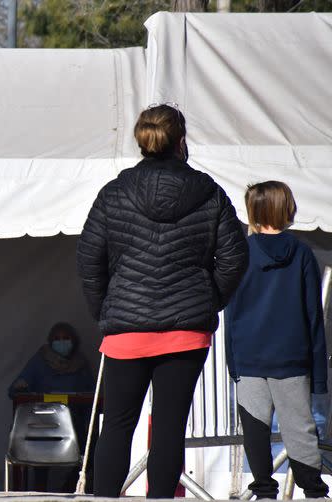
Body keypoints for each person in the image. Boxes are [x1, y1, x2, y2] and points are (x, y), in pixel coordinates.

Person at [77, 103, 248, 498]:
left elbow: (89, 260)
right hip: (185, 331)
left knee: (117, 426)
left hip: (125, 331)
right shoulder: (210, 194)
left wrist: (107, 310)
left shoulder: (113, 193)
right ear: (181, 141)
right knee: (170, 428)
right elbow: (235, 258)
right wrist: (206, 301)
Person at [225, 181, 328, 499]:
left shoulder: (240, 253)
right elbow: (314, 316)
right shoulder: (301, 254)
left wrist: (233, 360)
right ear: (287, 209)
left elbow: (231, 313)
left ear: (253, 211)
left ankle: (264, 489)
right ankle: (313, 490)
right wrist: (319, 374)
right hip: (292, 357)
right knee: (299, 425)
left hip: (250, 357)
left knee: (254, 427)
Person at [8, 322, 95, 492]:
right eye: (57, 339)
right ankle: (39, 491)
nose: (61, 342)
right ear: (50, 341)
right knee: (39, 447)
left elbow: (92, 394)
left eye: (65, 338)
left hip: (74, 424)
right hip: (42, 423)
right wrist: (21, 387)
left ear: (74, 341)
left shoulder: (81, 363)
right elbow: (14, 391)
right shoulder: (39, 360)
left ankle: (70, 489)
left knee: (90, 447)